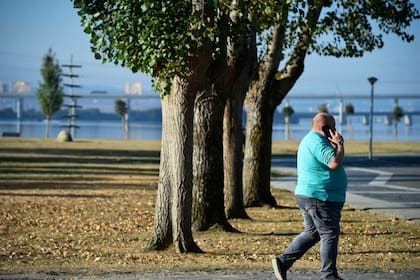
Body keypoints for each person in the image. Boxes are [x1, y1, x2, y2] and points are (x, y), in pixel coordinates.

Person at [272, 112, 347, 280]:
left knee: (312, 233)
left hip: (309, 194)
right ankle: (329, 275)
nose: (335, 131)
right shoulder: (317, 142)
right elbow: (334, 163)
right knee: (329, 233)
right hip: (321, 196)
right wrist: (340, 144)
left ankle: (282, 262)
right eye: (333, 128)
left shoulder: (310, 139)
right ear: (324, 128)